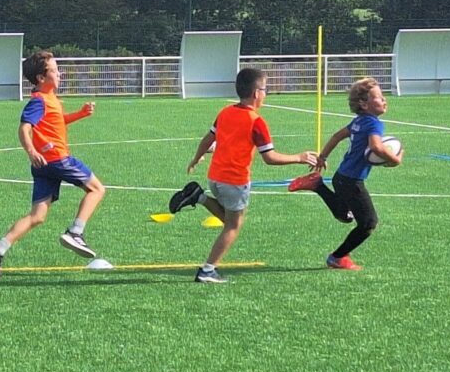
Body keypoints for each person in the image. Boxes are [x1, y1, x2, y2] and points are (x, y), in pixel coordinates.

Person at [168, 67, 319, 284]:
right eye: (265, 90)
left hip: (215, 177)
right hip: (235, 181)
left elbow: (208, 138)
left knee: (229, 219)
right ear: (257, 93)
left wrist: (196, 158)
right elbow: (270, 157)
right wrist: (300, 157)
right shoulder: (256, 121)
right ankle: (208, 270)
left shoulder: (225, 112)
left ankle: (198, 196)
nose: (266, 94)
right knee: (233, 226)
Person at [0, 51, 106, 278]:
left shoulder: (50, 100)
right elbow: (24, 128)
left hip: (44, 165)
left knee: (37, 216)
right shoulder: (38, 101)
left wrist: (80, 114)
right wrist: (31, 151)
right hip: (57, 159)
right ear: (41, 77)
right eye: (55, 70)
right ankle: (75, 232)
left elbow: (57, 122)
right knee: (97, 189)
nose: (60, 74)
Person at [289, 77, 402, 271]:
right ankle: (337, 257)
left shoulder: (359, 121)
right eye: (379, 97)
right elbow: (376, 146)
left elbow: (337, 136)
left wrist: (323, 156)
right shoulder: (374, 124)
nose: (384, 100)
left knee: (346, 216)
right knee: (368, 223)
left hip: (342, 177)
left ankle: (317, 185)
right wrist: (395, 159)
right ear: (364, 104)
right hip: (351, 181)